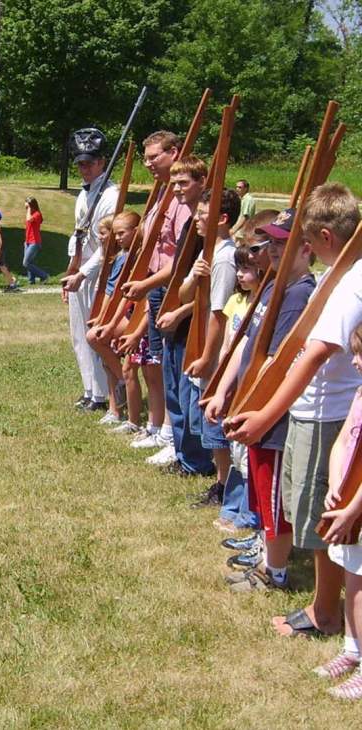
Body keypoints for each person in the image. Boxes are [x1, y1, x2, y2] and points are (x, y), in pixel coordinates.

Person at [226, 184, 362, 628]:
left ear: (324, 236)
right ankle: (324, 606)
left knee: (325, 520)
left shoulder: (350, 284)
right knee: (314, 517)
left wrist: (265, 414)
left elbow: (314, 354)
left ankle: (326, 612)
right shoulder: (338, 277)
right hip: (315, 412)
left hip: (326, 413)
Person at [209, 208, 315, 591]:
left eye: (281, 243)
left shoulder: (300, 294)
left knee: (273, 496)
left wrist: (251, 405)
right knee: (257, 483)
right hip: (249, 400)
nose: (271, 249)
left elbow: (277, 358)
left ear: (305, 249)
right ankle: (264, 548)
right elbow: (247, 345)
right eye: (270, 241)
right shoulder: (273, 286)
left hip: (270, 410)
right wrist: (224, 390)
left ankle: (276, 571)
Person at [99, 131, 187, 445]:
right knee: (154, 365)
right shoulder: (163, 194)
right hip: (153, 288)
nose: (148, 164)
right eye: (145, 158)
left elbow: (179, 257)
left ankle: (169, 433)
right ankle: (159, 428)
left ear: (174, 152)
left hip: (170, 289)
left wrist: (147, 284)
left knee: (164, 365)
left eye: (154, 157)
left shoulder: (181, 201)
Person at [179, 188, 240, 504]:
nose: (196, 219)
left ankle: (224, 486)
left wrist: (207, 358)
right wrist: (194, 278)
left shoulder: (226, 258)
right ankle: (221, 482)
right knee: (202, 420)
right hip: (199, 343)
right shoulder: (208, 253)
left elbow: (219, 313)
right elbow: (184, 295)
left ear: (222, 218)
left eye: (203, 214)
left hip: (214, 352)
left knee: (215, 424)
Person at [154, 155, 214, 475]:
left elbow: (212, 288)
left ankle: (196, 460)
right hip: (176, 316)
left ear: (202, 183)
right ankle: (182, 455)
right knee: (174, 390)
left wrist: (180, 313)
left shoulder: (207, 229)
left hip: (193, 319)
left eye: (184, 182)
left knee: (190, 392)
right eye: (174, 182)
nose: (177, 188)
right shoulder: (190, 224)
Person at [315, 322, 362, 699]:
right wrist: (334, 486)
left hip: (357, 507)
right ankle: (352, 649)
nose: (356, 362)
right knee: (351, 574)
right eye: (355, 353)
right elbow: (344, 437)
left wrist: (352, 509)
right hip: (347, 501)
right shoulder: (361, 393)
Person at [60, 128, 118, 413]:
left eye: (90, 162)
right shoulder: (84, 195)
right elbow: (78, 236)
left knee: (96, 335)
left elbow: (107, 248)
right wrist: (71, 270)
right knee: (78, 334)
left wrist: (83, 273)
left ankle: (105, 393)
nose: (84, 168)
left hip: (98, 274)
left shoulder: (110, 196)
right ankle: (90, 389)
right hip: (80, 273)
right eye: (81, 163)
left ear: (102, 162)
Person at [212, 245, 263, 533]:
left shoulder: (263, 305)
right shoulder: (238, 301)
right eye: (239, 269)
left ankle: (247, 514)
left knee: (245, 450)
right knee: (235, 449)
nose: (240, 275)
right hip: (233, 380)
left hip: (249, 385)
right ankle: (232, 507)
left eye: (246, 270)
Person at [86, 211, 139, 426]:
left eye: (116, 233)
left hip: (129, 315)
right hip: (114, 314)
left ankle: (123, 383)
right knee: (106, 359)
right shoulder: (115, 258)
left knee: (94, 337)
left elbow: (117, 292)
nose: (111, 238)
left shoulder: (128, 257)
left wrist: (106, 321)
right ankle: (114, 408)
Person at [23, 197, 48, 284]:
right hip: (28, 241)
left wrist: (29, 209)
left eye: (27, 206)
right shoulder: (31, 213)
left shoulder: (37, 214)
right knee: (30, 262)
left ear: (32, 205)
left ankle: (44, 276)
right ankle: (31, 280)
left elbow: (29, 219)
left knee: (26, 263)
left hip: (35, 242)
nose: (26, 208)